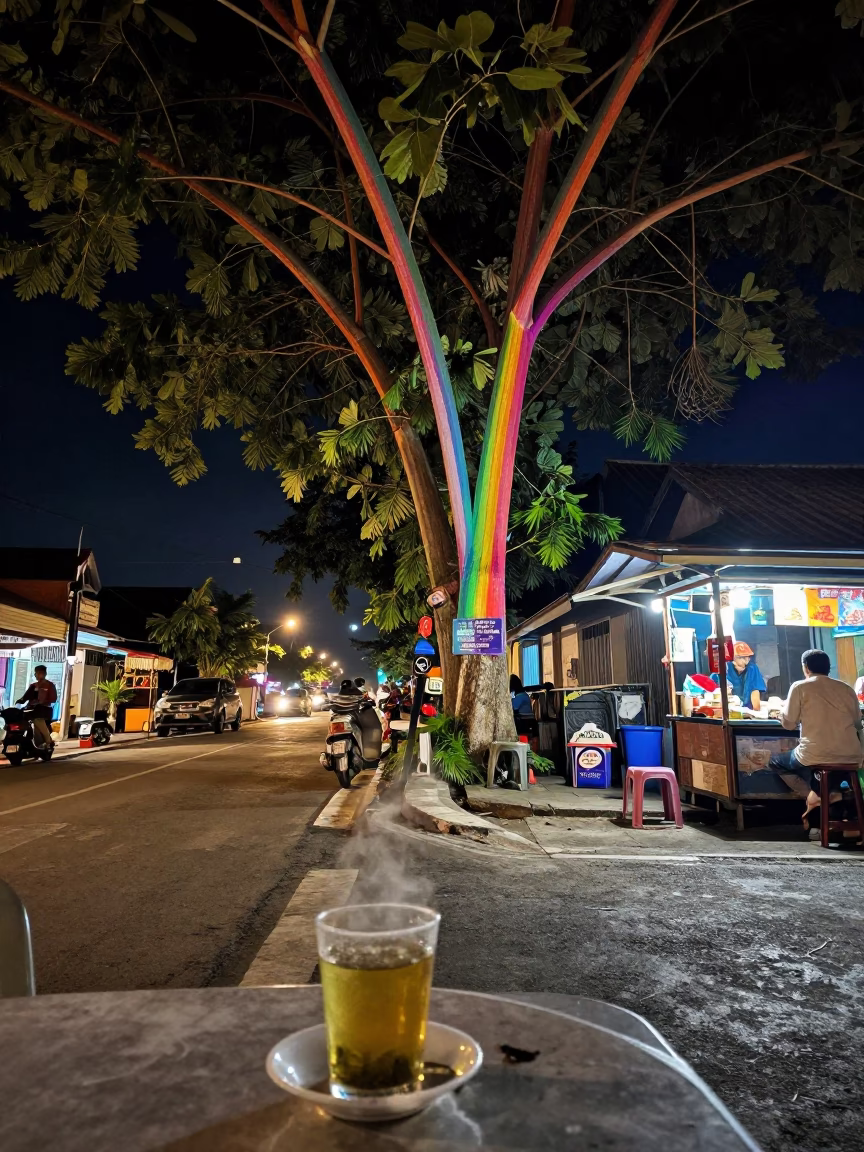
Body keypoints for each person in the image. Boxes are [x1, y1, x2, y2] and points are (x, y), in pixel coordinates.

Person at [768, 649, 863, 821]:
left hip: (814, 754)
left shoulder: (800, 687)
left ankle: (820, 798)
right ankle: (829, 796)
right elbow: (858, 723)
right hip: (852, 755)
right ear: (828, 668)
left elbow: (788, 724)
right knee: (828, 772)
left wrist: (780, 713)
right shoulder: (847, 689)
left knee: (776, 762)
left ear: (805, 668)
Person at [712, 641, 766, 711]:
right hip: (728, 710)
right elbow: (712, 691)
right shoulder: (724, 668)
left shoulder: (752, 668)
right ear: (733, 658)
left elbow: (755, 691)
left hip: (748, 711)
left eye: (748, 657)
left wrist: (756, 713)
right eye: (741, 658)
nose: (746, 661)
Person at [16, 664, 57, 749]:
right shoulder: (33, 685)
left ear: (45, 674)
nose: (37, 675)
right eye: (36, 673)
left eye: (40, 673)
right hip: (32, 709)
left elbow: (53, 699)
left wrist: (42, 702)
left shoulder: (49, 685)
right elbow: (26, 696)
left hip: (44, 710)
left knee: (38, 720)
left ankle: (48, 741)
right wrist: (21, 700)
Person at [510, 674, 536, 738]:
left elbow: (513, 708)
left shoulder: (520, 696)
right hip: (528, 720)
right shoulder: (524, 695)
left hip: (524, 721)